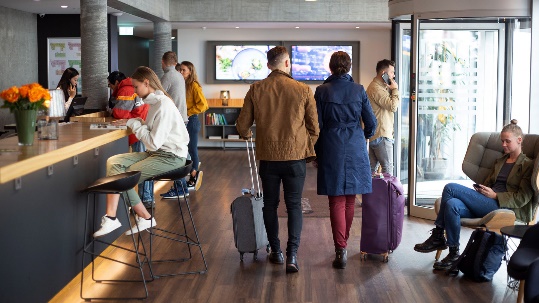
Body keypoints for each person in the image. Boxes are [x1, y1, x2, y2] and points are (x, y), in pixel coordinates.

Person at [236, 46, 320, 273]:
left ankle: (276, 251)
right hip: (295, 158)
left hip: (269, 158)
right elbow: (314, 128)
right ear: (286, 63)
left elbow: (242, 125)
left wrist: (248, 134)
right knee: (294, 205)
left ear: (267, 65)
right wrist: (303, 145)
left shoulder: (256, 89)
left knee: (270, 205)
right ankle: (293, 254)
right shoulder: (303, 89)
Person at [414, 119, 534, 270]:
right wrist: (483, 190)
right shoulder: (500, 161)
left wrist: (496, 196)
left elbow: (523, 197)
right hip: (486, 201)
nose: (503, 145)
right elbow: (489, 182)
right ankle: (453, 252)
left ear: (519, 140)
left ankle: (438, 235)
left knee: (450, 187)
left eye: (507, 141)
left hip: (501, 207)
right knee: (452, 205)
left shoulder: (527, 165)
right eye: (502, 141)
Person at [92, 66, 189, 238]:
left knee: (125, 176)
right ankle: (112, 217)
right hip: (161, 154)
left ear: (146, 82)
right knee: (114, 162)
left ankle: (143, 216)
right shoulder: (156, 103)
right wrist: (133, 120)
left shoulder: (163, 105)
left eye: (136, 87)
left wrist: (133, 123)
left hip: (171, 157)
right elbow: (151, 130)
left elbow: (152, 142)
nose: (134, 92)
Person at [313, 51, 377, 269]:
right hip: (355, 145)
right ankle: (344, 243)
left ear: (331, 68)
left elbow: (317, 126)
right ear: (349, 68)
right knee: (351, 198)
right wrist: (362, 135)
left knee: (336, 200)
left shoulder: (321, 91)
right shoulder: (359, 90)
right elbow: (372, 123)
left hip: (331, 145)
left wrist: (316, 151)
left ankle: (341, 248)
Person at [107, 71, 154, 209]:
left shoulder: (125, 89)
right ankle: (148, 197)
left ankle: (145, 198)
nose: (111, 89)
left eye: (110, 86)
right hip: (142, 128)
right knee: (145, 164)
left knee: (140, 166)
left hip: (137, 131)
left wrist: (115, 110)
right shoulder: (132, 87)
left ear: (116, 82)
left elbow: (119, 113)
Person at [159, 51, 190, 199]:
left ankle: (180, 188)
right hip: (181, 118)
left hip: (173, 120)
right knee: (181, 151)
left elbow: (158, 96)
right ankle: (184, 184)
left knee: (175, 153)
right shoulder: (178, 75)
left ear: (163, 62)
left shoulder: (168, 76)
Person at [175, 61, 209, 189]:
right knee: (185, 149)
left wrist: (187, 113)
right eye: (180, 70)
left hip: (192, 121)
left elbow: (203, 105)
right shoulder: (180, 84)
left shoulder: (194, 85)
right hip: (183, 121)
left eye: (183, 70)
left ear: (190, 72)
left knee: (191, 148)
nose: (181, 72)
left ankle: (194, 174)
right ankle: (191, 173)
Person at [366, 59, 400, 174]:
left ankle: (373, 193)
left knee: (371, 171)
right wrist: (395, 89)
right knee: (388, 170)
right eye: (392, 72)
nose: (393, 75)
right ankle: (387, 193)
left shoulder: (381, 87)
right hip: (381, 135)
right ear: (384, 73)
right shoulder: (376, 88)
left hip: (378, 134)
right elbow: (393, 106)